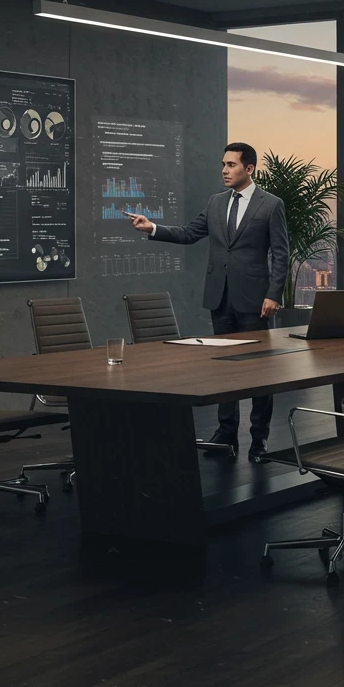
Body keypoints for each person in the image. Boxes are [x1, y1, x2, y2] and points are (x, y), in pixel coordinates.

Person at [128, 142, 288, 461]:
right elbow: (189, 233)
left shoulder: (271, 205)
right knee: (224, 369)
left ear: (249, 169)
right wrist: (153, 228)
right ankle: (226, 433)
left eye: (231, 165)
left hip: (255, 300)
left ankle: (259, 438)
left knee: (260, 372)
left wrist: (273, 294)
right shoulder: (216, 202)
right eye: (223, 164)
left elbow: (281, 253)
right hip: (220, 298)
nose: (224, 170)